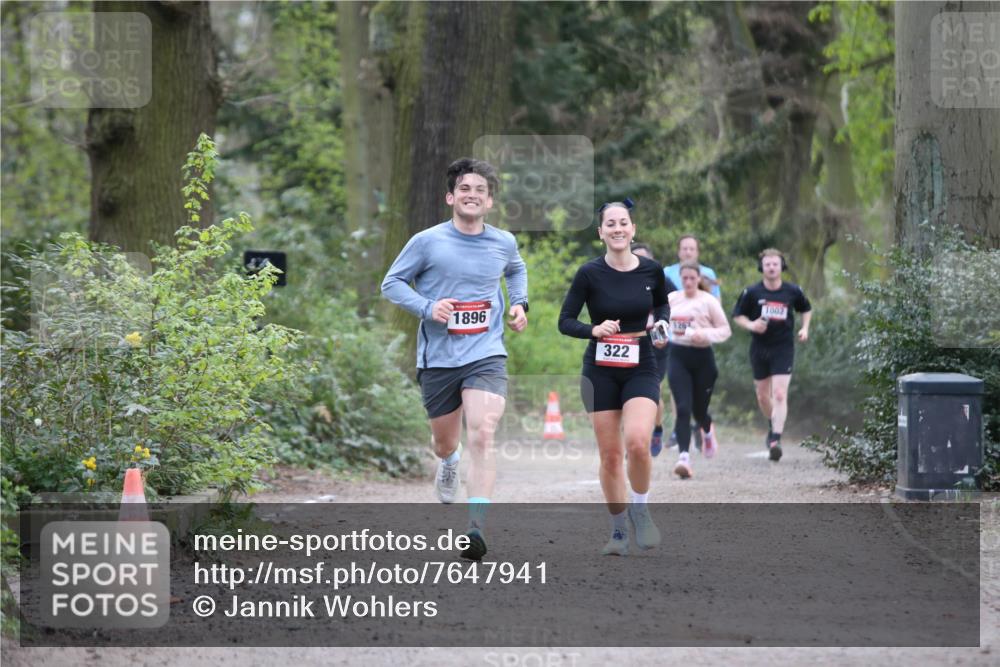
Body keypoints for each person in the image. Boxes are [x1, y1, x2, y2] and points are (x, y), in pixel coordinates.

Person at [381, 158, 528, 560]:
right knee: (444, 441)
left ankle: (476, 527)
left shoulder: (503, 242)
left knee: (483, 431)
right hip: (439, 357)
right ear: (451, 197)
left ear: (490, 201)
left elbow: (516, 270)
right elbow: (391, 283)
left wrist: (519, 304)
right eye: (465, 189)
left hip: (486, 352)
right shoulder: (427, 241)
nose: (472, 195)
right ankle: (449, 461)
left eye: (480, 190)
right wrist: (429, 308)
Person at [559, 200, 669, 556]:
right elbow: (565, 321)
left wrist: (662, 321)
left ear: (633, 229)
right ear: (601, 232)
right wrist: (594, 329)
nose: (618, 228)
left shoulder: (652, 270)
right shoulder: (589, 273)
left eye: (624, 222)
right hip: (600, 370)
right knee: (610, 456)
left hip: (641, 364)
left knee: (638, 442)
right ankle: (619, 530)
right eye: (611, 224)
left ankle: (641, 509)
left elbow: (664, 305)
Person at [732, 248, 812, 462]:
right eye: (767, 264)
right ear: (762, 267)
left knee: (779, 394)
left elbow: (806, 308)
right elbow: (737, 315)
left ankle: (775, 439)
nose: (771, 267)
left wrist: (805, 328)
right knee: (762, 395)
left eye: (775, 263)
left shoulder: (793, 291)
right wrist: (751, 324)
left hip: (783, 347)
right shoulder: (752, 292)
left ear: (781, 266)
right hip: (759, 347)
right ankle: (772, 423)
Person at [665, 261, 731, 478]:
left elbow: (725, 330)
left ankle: (707, 429)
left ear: (699, 279)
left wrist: (706, 334)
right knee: (683, 407)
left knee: (699, 410)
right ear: (680, 279)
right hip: (678, 356)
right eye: (685, 278)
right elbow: (659, 320)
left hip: (703, 358)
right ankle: (684, 456)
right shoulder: (673, 299)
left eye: (693, 278)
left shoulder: (708, 301)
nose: (689, 282)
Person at [662, 235, 721, 452]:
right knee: (678, 389)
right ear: (678, 251)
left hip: (699, 340)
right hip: (675, 340)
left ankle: (701, 426)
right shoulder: (667, 273)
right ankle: (681, 430)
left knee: (698, 393)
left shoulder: (708, 274)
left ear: (697, 252)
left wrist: (708, 332)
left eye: (692, 248)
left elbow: (716, 307)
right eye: (684, 248)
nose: (688, 252)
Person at [630, 243, 677, 457]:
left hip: (657, 344)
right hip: (629, 344)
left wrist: (664, 324)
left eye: (644, 259)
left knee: (652, 392)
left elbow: (677, 305)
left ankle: (656, 429)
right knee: (627, 394)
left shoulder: (662, 281)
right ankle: (633, 439)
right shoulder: (621, 279)